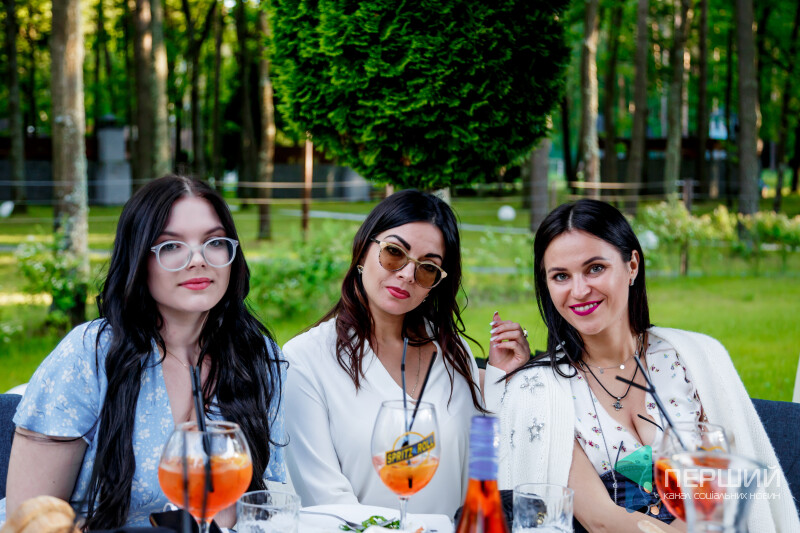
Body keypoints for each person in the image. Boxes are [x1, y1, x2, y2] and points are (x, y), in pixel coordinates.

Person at [484, 199, 799, 532]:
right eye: (561, 276)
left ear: (632, 265)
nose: (579, 290)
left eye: (595, 268)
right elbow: (601, 520)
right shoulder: (540, 390)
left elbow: (725, 487)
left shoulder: (692, 358)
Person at [1, 176, 286, 529]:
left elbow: (261, 505)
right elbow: (29, 520)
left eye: (214, 242)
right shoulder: (90, 355)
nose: (198, 260)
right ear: (139, 258)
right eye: (171, 246)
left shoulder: (257, 356)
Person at [283, 190, 528, 518]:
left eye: (427, 267)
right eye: (394, 252)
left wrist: (499, 377)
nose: (407, 275)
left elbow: (485, 465)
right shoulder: (305, 359)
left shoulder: (453, 353)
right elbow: (325, 499)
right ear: (363, 250)